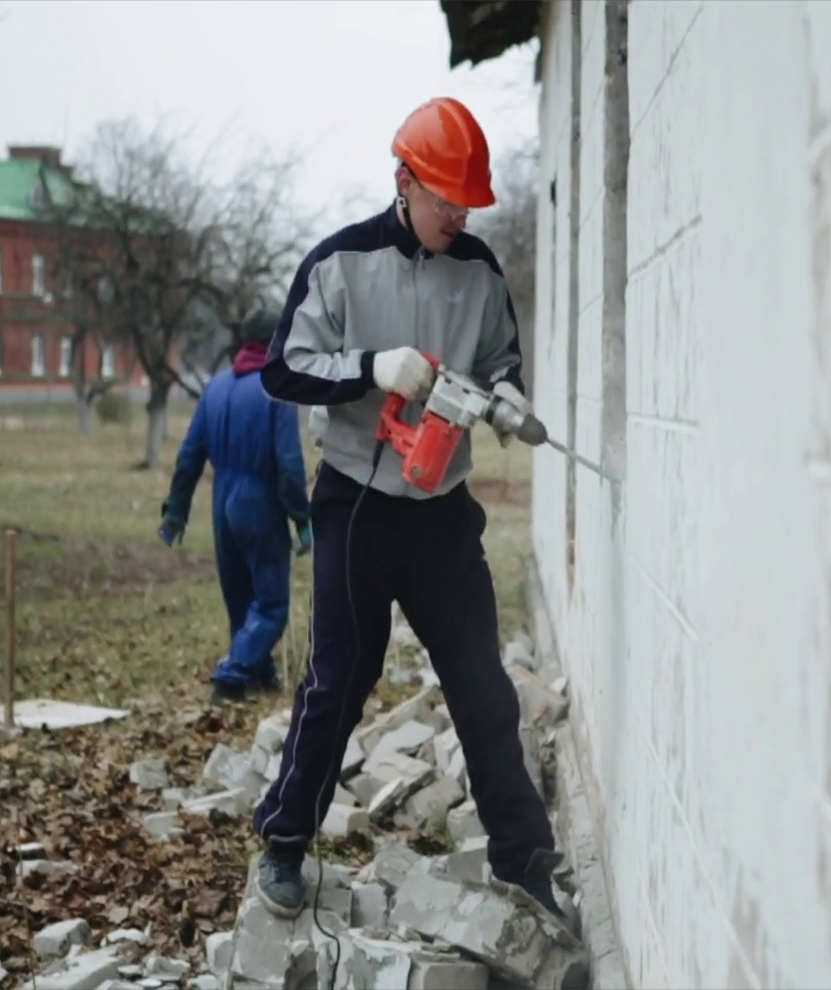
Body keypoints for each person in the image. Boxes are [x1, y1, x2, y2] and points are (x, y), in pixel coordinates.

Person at [252, 98, 562, 921]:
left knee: (481, 686)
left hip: (442, 514)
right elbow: (283, 369)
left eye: (466, 204)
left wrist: (504, 398)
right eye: (442, 201)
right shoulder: (338, 264)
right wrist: (369, 367)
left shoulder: (481, 271)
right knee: (340, 679)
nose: (455, 218)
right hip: (354, 502)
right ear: (404, 181)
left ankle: (527, 861)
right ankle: (285, 842)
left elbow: (503, 358)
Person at [158, 308, 312, 703]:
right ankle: (233, 675)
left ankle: (261, 674)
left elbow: (190, 454)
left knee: (241, 596)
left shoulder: (217, 386)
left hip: (221, 499)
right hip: (257, 500)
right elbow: (290, 465)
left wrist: (177, 511)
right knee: (273, 602)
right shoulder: (276, 389)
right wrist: (302, 519)